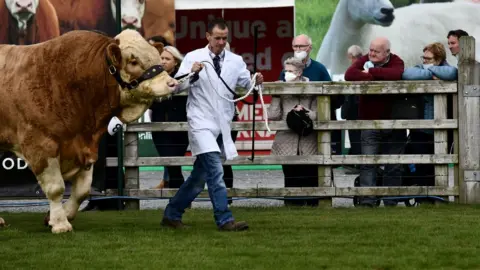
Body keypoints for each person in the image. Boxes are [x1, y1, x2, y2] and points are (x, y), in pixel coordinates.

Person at [161, 18, 264, 231]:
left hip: (223, 123)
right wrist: (193, 73)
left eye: (224, 38)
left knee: (199, 178)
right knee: (216, 172)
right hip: (200, 121)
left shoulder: (236, 60)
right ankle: (224, 219)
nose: (221, 42)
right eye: (217, 38)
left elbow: (246, 83)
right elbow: (176, 87)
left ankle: (172, 213)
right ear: (208, 36)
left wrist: (256, 79)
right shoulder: (193, 57)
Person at [344, 37, 406, 207]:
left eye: (376, 51)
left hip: (394, 121)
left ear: (387, 52)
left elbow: (396, 74)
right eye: (370, 49)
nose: (371, 53)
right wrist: (374, 74)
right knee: (367, 163)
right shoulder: (365, 59)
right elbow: (349, 74)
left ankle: (391, 201)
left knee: (394, 164)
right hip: (368, 121)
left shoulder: (396, 60)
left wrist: (369, 74)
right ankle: (367, 201)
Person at [402, 42, 458, 199]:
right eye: (423, 58)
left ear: (438, 59)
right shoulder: (422, 68)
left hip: (441, 126)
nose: (424, 61)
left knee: (438, 164)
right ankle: (423, 198)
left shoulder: (446, 68)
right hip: (421, 126)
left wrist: (429, 70)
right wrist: (429, 72)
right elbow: (407, 74)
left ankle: (439, 196)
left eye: (428, 58)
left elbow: (452, 73)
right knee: (420, 162)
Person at [279, 34, 343, 157]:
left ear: (309, 48)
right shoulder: (286, 71)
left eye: (301, 46)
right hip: (292, 124)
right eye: (295, 46)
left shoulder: (319, 69)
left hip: (313, 124)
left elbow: (332, 95)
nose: (297, 49)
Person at [268, 57, 319, 206]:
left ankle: (312, 205)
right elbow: (272, 116)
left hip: (308, 142)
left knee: (310, 177)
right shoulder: (281, 89)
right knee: (291, 177)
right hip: (286, 142)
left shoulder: (313, 88)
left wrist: (305, 111)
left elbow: (320, 113)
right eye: (285, 71)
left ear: (299, 72)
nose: (286, 74)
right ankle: (292, 205)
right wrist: (276, 95)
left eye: (290, 71)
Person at [148, 46, 188, 190]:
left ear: (176, 62)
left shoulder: (184, 78)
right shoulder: (153, 77)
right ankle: (180, 196)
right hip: (158, 126)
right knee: (170, 163)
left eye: (167, 59)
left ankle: (179, 196)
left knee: (174, 164)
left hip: (180, 127)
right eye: (162, 58)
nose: (163, 61)